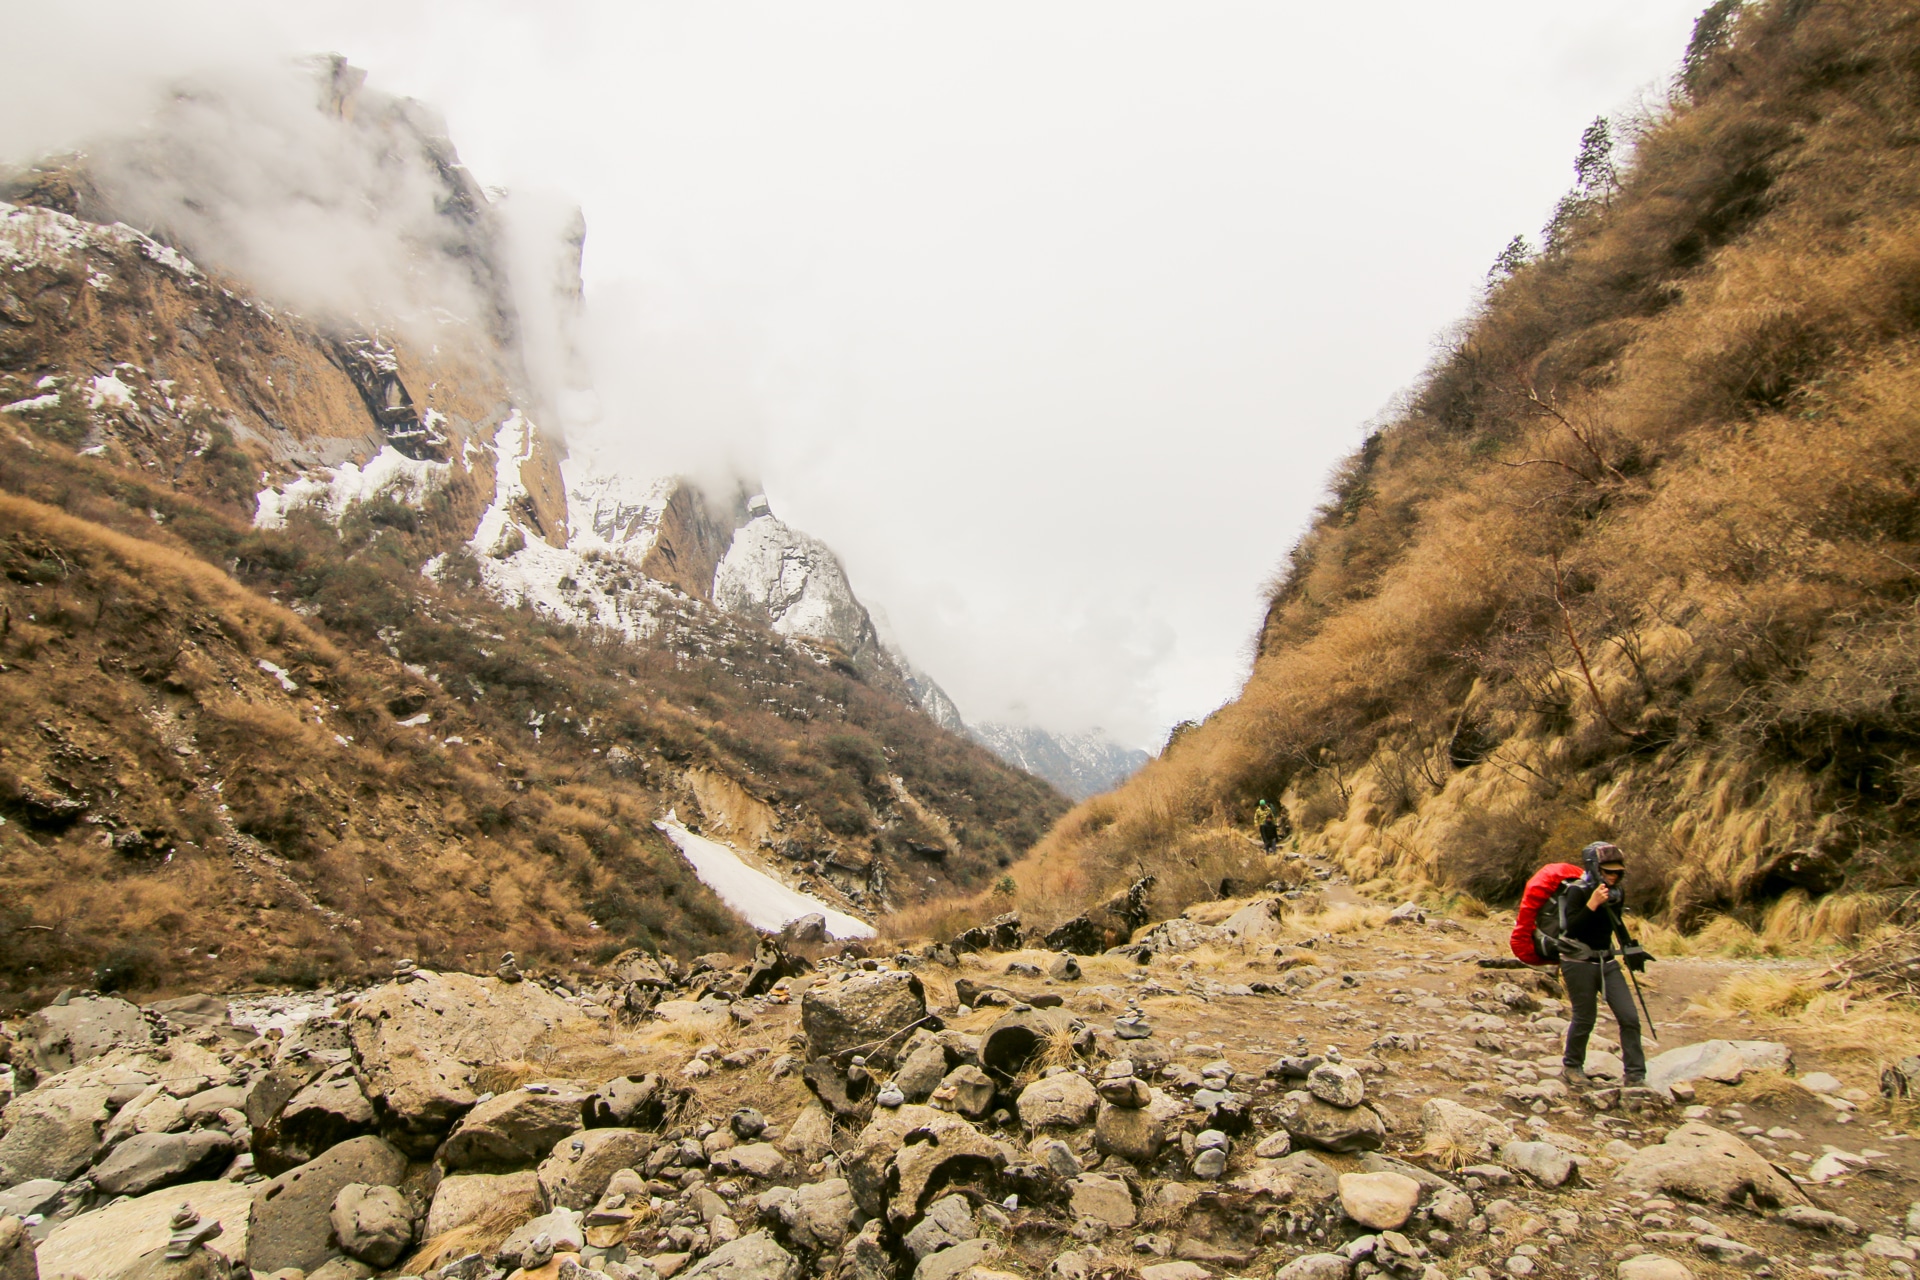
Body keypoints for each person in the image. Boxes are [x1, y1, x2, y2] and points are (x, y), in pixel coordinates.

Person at [1557, 841, 1650, 1087]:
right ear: (1595, 868)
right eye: (1608, 871)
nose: (1613, 876)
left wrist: (1631, 949)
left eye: (1618, 872)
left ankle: (1636, 1075)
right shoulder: (1577, 891)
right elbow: (1572, 928)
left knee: (1629, 1017)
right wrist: (1593, 904)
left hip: (1606, 961)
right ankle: (1572, 1067)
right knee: (1585, 1017)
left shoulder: (1617, 893)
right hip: (1578, 962)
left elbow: (1615, 923)